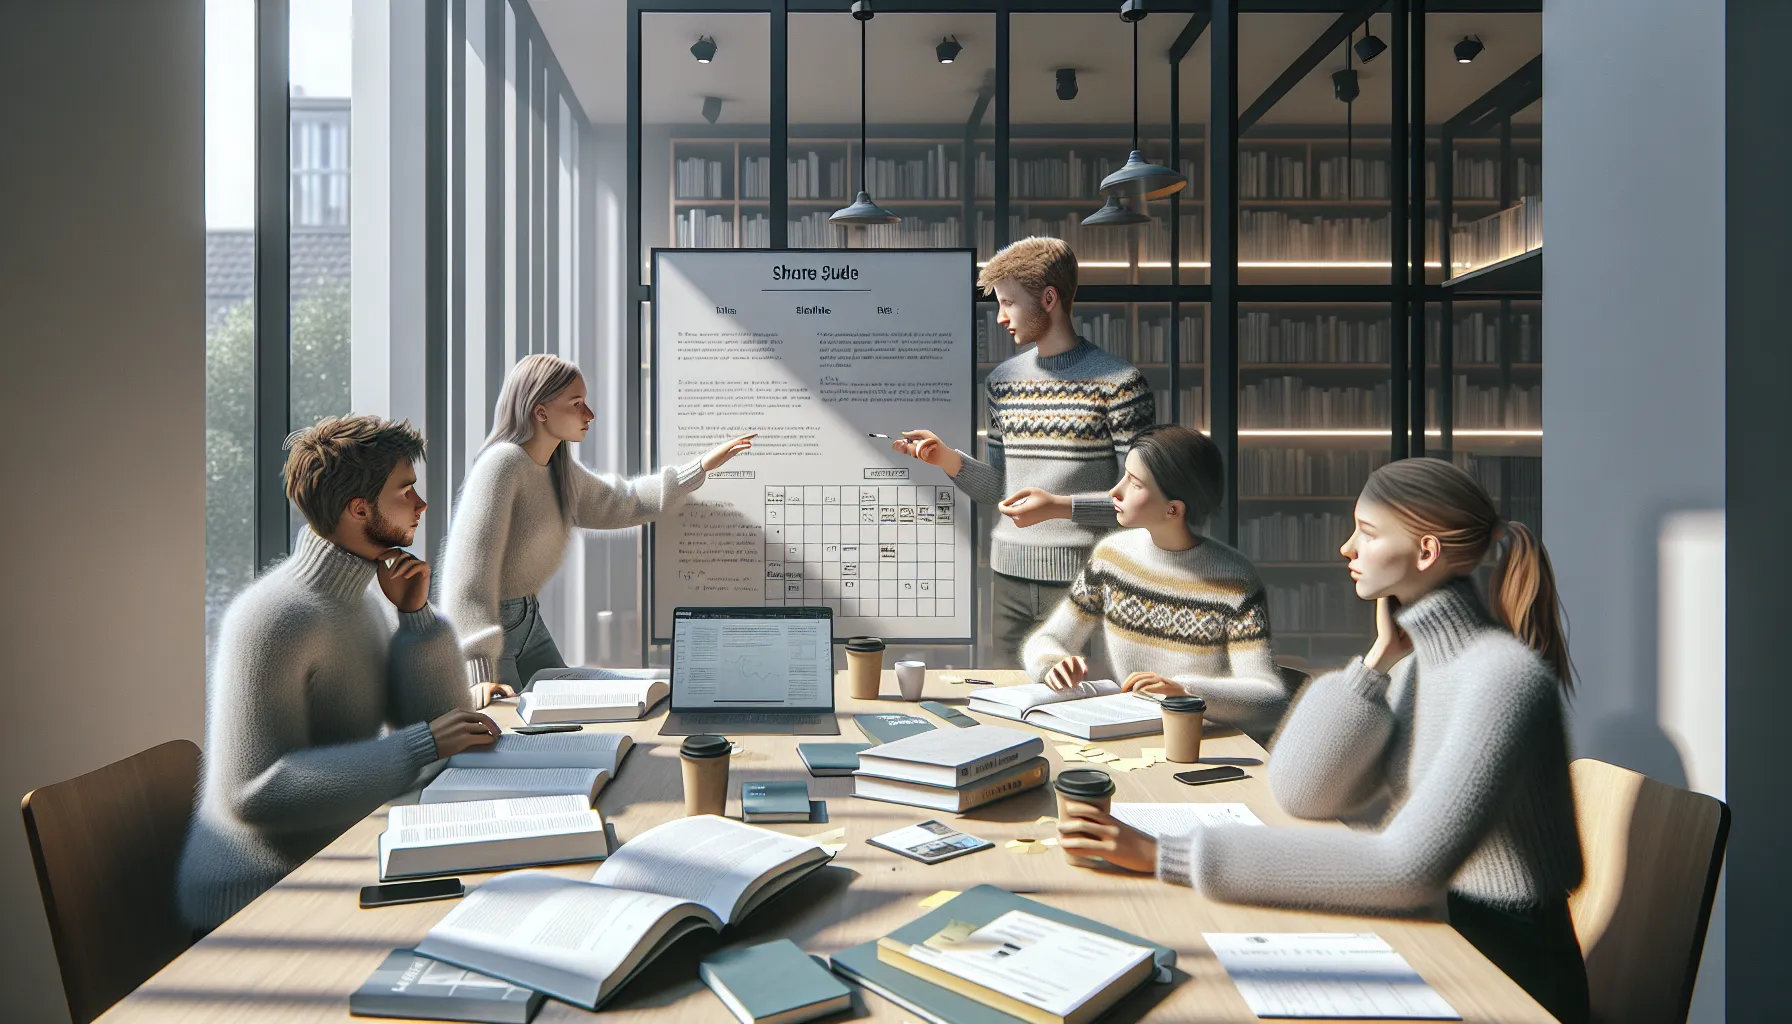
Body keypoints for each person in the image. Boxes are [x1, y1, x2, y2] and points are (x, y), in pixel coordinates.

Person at [1054, 457, 1588, 1024]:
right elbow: (1303, 791)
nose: (1346, 548)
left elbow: (1405, 868)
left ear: (1426, 553)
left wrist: (1165, 855)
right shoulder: (1413, 667)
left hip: (1505, 976)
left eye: (1368, 532)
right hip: (1441, 933)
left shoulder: (1502, 678)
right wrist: (1376, 661)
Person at [178, 416, 500, 936]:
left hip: (332, 858)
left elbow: (444, 728)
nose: (420, 506)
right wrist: (417, 747)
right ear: (359, 509)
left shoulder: (365, 603)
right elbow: (252, 795)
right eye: (406, 491)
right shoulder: (270, 617)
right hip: (254, 898)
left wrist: (417, 619)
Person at [892, 237, 1154, 663]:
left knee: (1082, 713)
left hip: (1087, 584)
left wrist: (1060, 507)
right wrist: (946, 459)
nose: (1000, 317)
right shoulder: (1003, 383)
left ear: (1049, 299)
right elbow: (1001, 488)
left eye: (1009, 303)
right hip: (1008, 581)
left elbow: (1143, 501)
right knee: (1006, 708)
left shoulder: (1121, 384)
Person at [440, 354, 753, 701]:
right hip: (493, 633)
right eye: (576, 404)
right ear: (540, 411)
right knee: (512, 736)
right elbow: (467, 577)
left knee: (573, 715)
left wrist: (699, 467)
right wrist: (477, 672)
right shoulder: (501, 465)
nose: (589, 415)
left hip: (529, 621)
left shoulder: (559, 470)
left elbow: (624, 502)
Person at [1021, 425, 1290, 741]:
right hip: (1128, 733)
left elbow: (1270, 697)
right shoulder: (1111, 558)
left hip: (1198, 742)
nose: (1115, 492)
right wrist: (1053, 663)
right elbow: (1048, 638)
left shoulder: (1235, 581)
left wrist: (1184, 691)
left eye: (1134, 484)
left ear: (1173, 509)